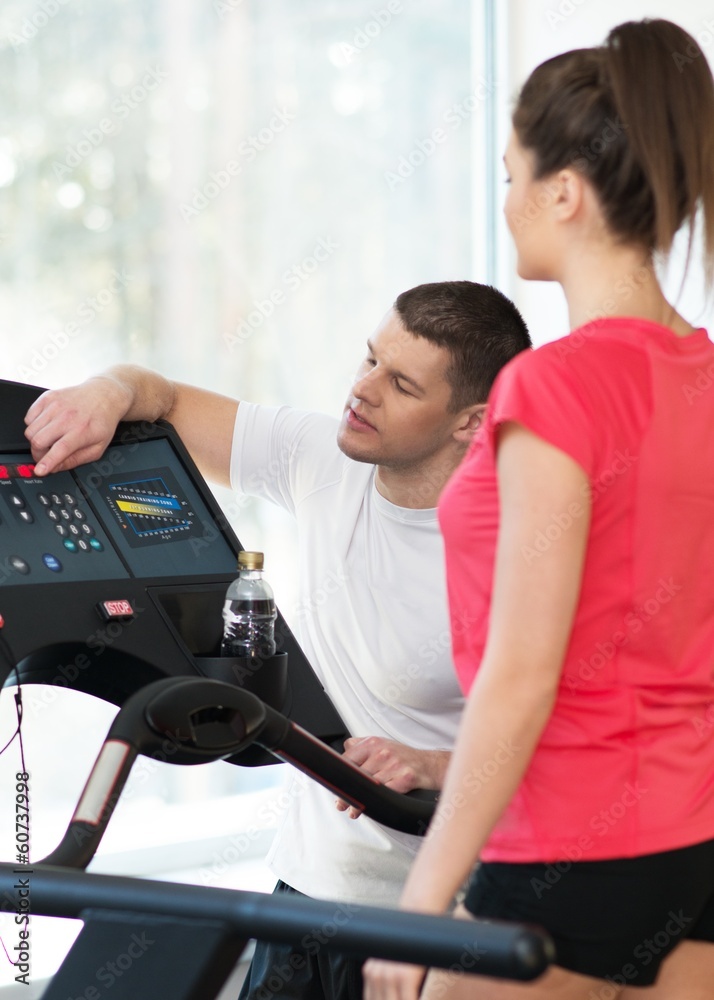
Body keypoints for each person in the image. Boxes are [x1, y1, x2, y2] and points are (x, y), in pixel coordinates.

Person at [24, 280, 531, 1000]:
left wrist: (436, 763)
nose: (363, 390)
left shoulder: (517, 543)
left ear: (469, 422)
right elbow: (159, 397)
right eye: (368, 359)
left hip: (439, 914)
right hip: (307, 891)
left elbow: (572, 743)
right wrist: (106, 391)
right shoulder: (322, 458)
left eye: (401, 383)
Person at [363, 18, 714, 1000]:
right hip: (691, 841)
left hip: (566, 847)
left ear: (566, 192)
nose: (508, 199)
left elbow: (522, 671)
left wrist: (423, 900)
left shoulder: (553, 387)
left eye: (514, 174)